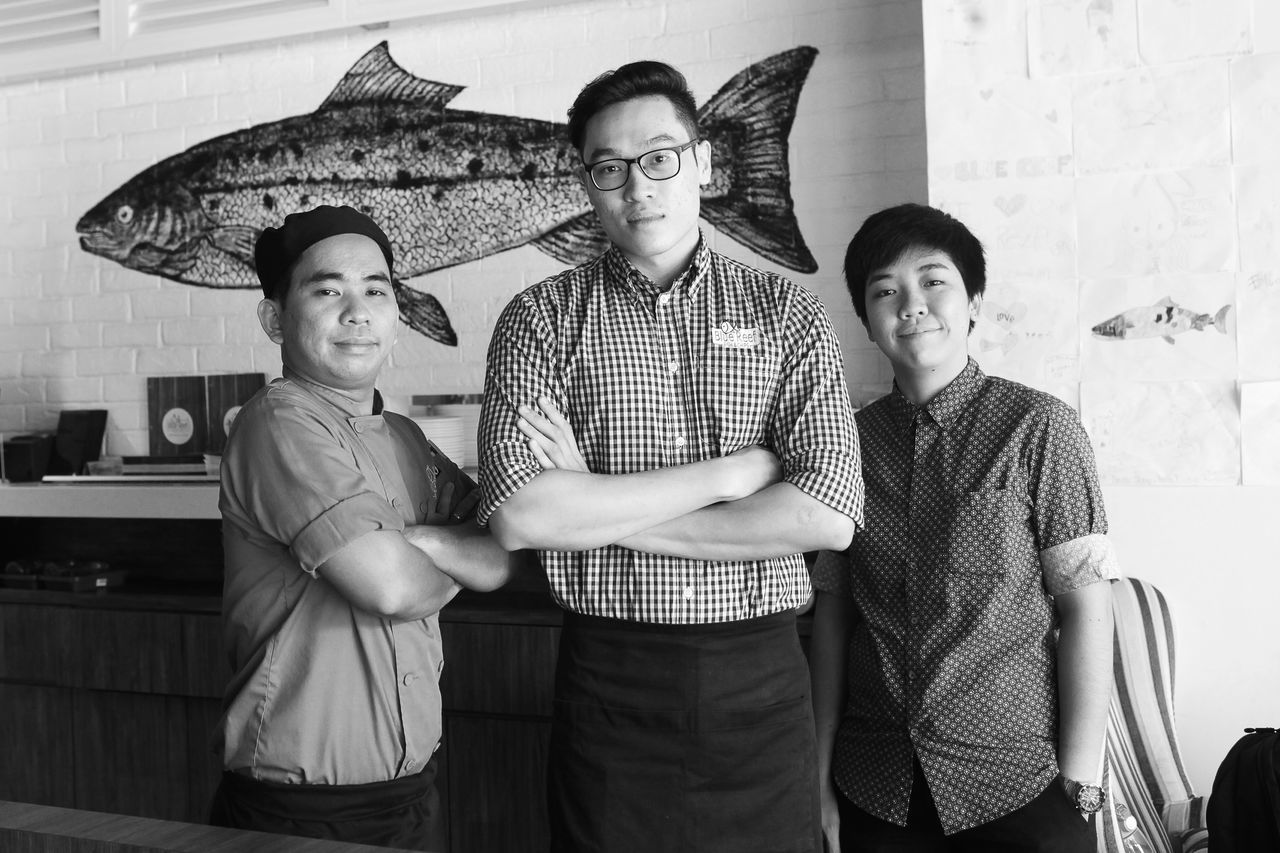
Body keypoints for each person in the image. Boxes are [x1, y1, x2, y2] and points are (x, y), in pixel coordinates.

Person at [475, 59, 863, 853]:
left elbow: (827, 514)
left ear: (703, 163)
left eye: (658, 158)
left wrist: (594, 507)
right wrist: (725, 478)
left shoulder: (788, 312)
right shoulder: (538, 320)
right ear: (586, 184)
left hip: (762, 679)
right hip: (610, 682)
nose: (637, 187)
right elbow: (521, 516)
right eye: (609, 168)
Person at [810, 202, 1116, 853]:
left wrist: (1080, 788)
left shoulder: (1040, 428)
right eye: (884, 290)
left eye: (933, 281)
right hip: (875, 787)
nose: (910, 303)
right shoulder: (846, 444)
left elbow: (1088, 606)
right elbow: (834, 616)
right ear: (867, 320)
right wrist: (818, 777)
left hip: (1019, 788)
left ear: (973, 302)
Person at [210, 205, 510, 850]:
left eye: (377, 290)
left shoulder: (406, 437)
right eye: (327, 290)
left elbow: (501, 559)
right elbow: (392, 589)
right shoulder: (278, 422)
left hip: (406, 789)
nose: (358, 311)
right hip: (299, 807)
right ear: (274, 318)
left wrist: (420, 542)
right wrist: (434, 553)